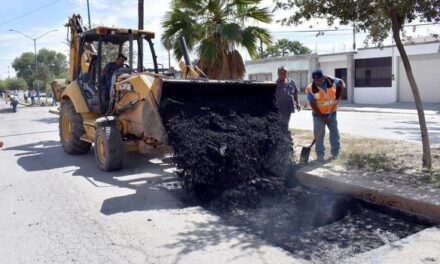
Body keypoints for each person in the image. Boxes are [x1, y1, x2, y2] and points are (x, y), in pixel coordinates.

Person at [305, 69, 345, 162]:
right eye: (314, 80)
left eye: (318, 79)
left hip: (332, 113)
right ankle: (320, 155)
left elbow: (342, 82)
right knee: (319, 136)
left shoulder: (331, 81)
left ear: (322, 77)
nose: (317, 82)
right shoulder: (310, 88)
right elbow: (313, 104)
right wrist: (322, 117)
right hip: (318, 115)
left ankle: (335, 154)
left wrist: (341, 90)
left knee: (334, 133)